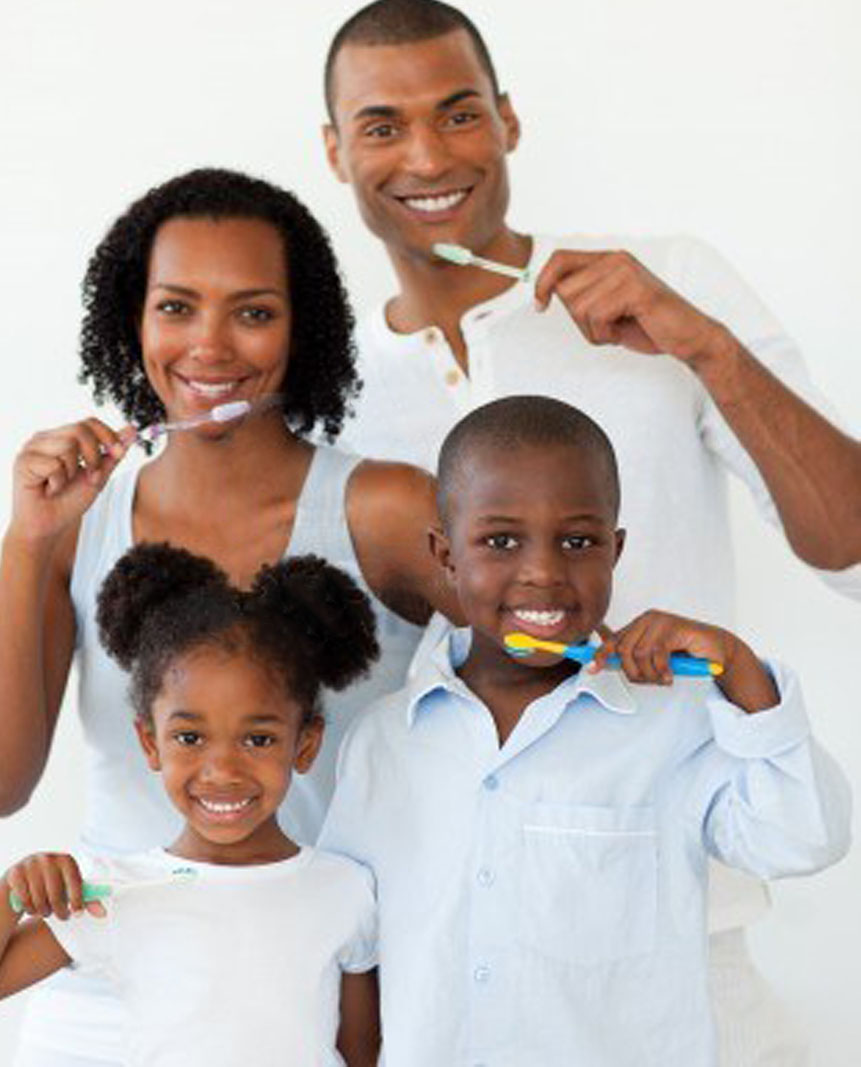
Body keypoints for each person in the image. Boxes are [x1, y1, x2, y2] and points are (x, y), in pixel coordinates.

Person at [320, 2, 860, 1061]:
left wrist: (702, 345)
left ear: (510, 121)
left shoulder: (667, 283)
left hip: (690, 944)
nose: (427, 155)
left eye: (459, 112)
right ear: (334, 151)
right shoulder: (328, 390)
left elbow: (852, 549)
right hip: (450, 971)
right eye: (382, 125)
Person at [0, 167, 455, 1066]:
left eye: (252, 312)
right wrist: (28, 540)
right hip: (102, 996)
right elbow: (5, 783)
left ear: (305, 328)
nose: (208, 346)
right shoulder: (74, 520)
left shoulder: (388, 511)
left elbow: (532, 658)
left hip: (303, 987)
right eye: (176, 307)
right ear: (133, 321)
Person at [320, 395, 851, 1067]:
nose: (542, 571)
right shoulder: (383, 742)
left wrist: (737, 667)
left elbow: (805, 837)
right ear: (444, 555)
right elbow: (350, 943)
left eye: (576, 541)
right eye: (500, 540)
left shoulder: (674, 723)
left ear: (614, 549)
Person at [0, 544, 382, 1067]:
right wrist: (14, 894)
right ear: (150, 743)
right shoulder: (113, 892)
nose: (222, 771)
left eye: (259, 740)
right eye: (189, 737)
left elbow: (361, 1054)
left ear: (307, 744)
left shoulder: (348, 891)